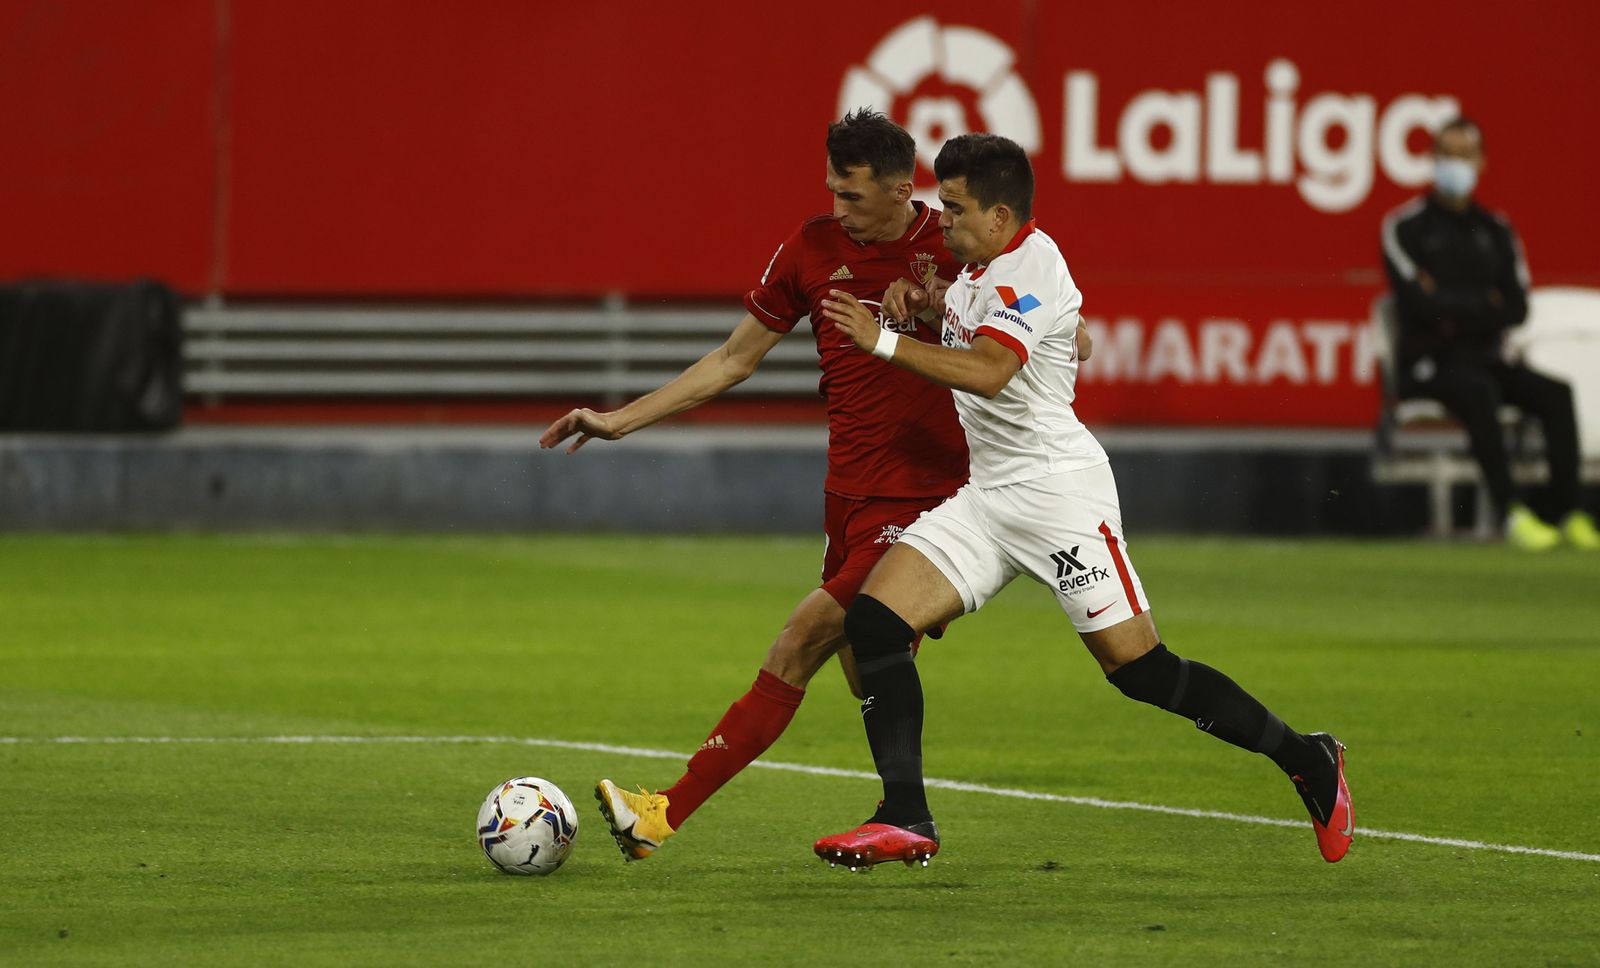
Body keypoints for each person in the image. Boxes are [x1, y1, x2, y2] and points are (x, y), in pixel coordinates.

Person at [811, 133, 1353, 871]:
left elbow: (994, 372)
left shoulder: (1036, 259)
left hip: (1059, 496)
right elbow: (1077, 340)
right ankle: (906, 814)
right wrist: (936, 307)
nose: (941, 218)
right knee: (873, 622)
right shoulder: (977, 269)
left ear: (1002, 216)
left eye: (958, 207)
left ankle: (1309, 758)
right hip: (990, 497)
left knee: (1141, 672)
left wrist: (883, 341)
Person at [537, 109, 974, 861]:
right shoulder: (811, 248)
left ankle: (659, 816)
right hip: (848, 497)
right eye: (833, 192)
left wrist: (941, 304)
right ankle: (906, 816)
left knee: (799, 641)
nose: (839, 210)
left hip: (925, 499)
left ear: (904, 189)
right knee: (865, 669)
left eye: (855, 197)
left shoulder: (955, 248)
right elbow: (735, 359)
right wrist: (620, 421)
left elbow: (1049, 332)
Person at [1381, 117, 1598, 551]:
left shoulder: (1496, 231)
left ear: (1481, 162)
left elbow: (1516, 308)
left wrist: (1450, 302)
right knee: (1476, 390)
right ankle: (1511, 512)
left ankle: (1562, 512)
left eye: (1463, 155)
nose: (1454, 164)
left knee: (1556, 394)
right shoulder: (1406, 227)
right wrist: (1483, 305)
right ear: (1432, 159)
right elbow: (1417, 306)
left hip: (1486, 357)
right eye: (1446, 154)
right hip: (1431, 363)